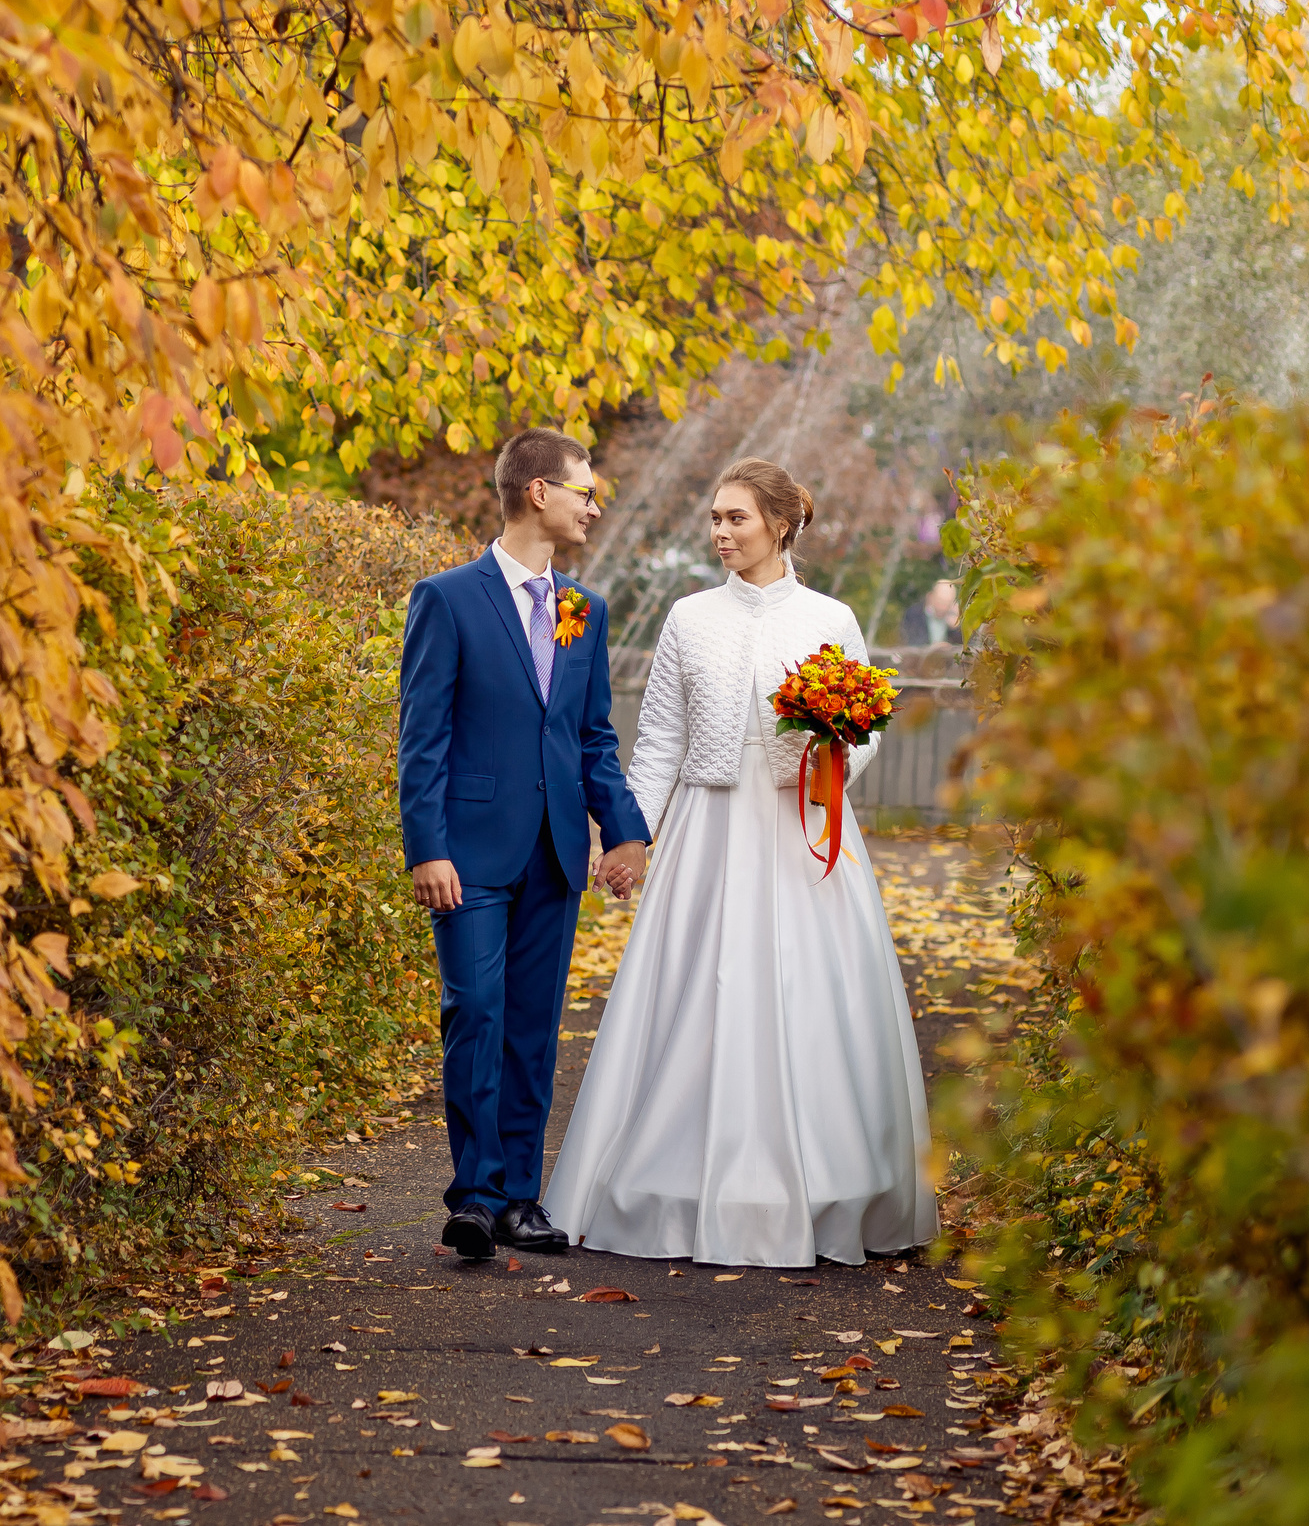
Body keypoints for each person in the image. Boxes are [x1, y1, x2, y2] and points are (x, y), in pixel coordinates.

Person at [539, 458, 937, 1267]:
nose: (720, 533)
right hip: (710, 838)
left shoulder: (832, 615)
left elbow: (869, 727)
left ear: (781, 524)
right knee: (696, 996)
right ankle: (671, 1177)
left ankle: (829, 1183)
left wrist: (829, 767)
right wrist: (630, 835)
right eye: (715, 519)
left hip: (804, 836)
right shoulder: (688, 618)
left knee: (811, 999)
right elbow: (658, 744)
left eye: (736, 519)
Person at [397, 428, 652, 1261]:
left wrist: (624, 831)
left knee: (533, 1027)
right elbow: (422, 736)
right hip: (466, 852)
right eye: (585, 488)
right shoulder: (447, 597)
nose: (593, 504)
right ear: (539, 491)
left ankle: (517, 1199)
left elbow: (591, 735)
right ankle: (472, 1196)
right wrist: (426, 844)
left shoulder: (584, 608)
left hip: (553, 853)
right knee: (474, 1009)